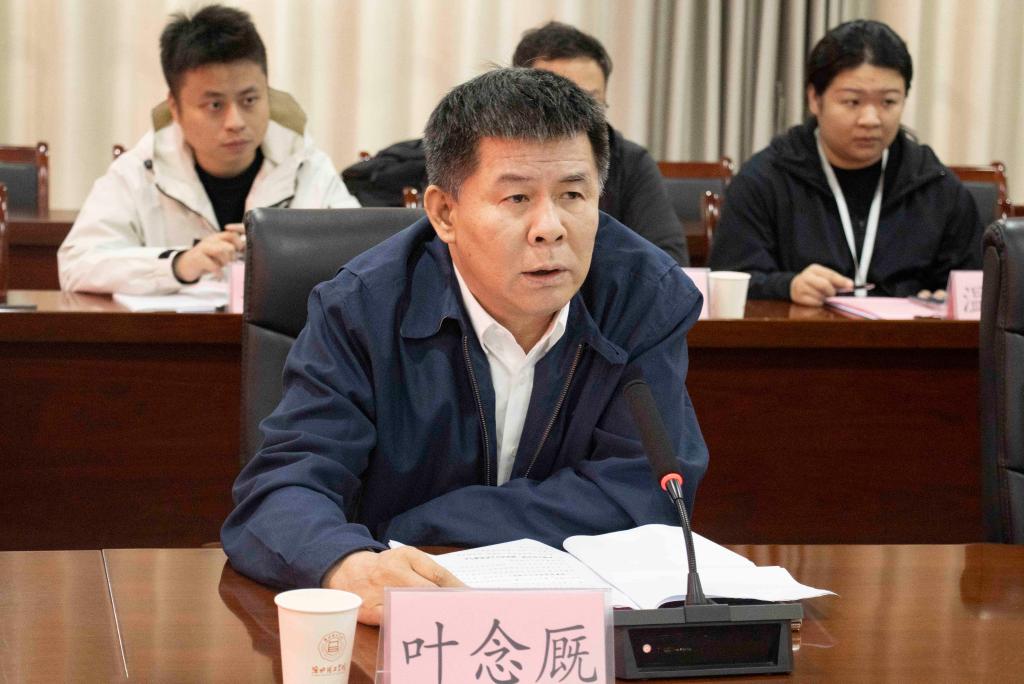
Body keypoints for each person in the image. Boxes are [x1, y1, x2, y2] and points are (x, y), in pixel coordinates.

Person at [222, 68, 708, 625]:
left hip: (569, 626)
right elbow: (282, 490)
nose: (550, 227)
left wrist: (418, 525)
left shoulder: (644, 298)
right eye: (517, 197)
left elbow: (648, 491)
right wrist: (345, 563)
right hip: (398, 628)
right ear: (444, 214)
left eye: (573, 194)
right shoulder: (362, 309)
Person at [58, 4, 357, 295]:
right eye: (215, 105)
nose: (235, 122)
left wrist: (283, 255)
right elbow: (76, 265)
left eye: (249, 100)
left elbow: (362, 257)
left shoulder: (306, 165)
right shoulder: (140, 170)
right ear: (175, 107)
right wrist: (178, 265)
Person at [341, 20, 688, 266]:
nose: (570, 111)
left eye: (571, 194)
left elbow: (668, 259)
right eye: (518, 197)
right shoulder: (474, 149)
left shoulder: (627, 159)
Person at [708, 19, 982, 306]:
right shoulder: (765, 180)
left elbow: (975, 287)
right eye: (852, 102)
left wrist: (944, 300)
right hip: (805, 333)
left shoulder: (935, 185)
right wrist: (788, 286)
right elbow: (729, 280)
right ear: (815, 99)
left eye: (888, 102)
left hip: (905, 335)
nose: (871, 119)